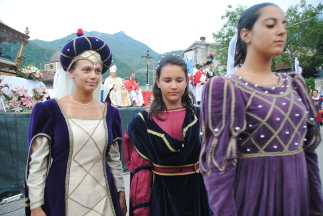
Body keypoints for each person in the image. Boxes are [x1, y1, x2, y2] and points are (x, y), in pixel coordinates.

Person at [199, 3, 323, 216]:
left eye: (283, 24)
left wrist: (316, 206)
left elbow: (309, 153)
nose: (281, 30)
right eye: (270, 25)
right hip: (255, 198)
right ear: (246, 34)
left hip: (297, 197)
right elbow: (218, 165)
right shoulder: (227, 88)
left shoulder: (295, 84)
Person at [24, 32, 127, 216]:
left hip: (104, 199)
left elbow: (114, 159)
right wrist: (36, 206)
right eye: (86, 70)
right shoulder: (50, 111)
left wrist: (120, 193)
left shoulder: (111, 113)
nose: (93, 75)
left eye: (97, 70)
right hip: (63, 200)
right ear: (71, 72)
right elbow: (38, 164)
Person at [123, 54, 212, 216]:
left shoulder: (201, 116)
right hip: (161, 194)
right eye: (167, 80)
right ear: (158, 82)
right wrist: (142, 207)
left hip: (196, 192)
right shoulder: (141, 122)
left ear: (186, 81)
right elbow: (141, 170)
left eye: (179, 80)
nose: (174, 86)